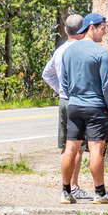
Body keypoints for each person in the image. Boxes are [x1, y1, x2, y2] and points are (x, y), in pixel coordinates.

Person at [59, 13, 108, 204]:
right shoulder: (100, 53)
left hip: (75, 105)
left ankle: (65, 191)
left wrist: (74, 96)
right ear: (91, 27)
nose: (105, 32)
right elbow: (106, 85)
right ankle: (100, 193)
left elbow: (65, 81)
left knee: (70, 147)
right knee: (95, 149)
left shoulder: (68, 51)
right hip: (96, 106)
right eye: (103, 28)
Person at [42, 14, 91, 200]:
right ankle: (73, 185)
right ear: (84, 30)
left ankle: (65, 187)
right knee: (78, 147)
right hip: (79, 100)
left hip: (64, 100)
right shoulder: (83, 50)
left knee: (66, 145)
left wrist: (59, 89)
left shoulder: (60, 50)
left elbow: (47, 74)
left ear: (65, 30)